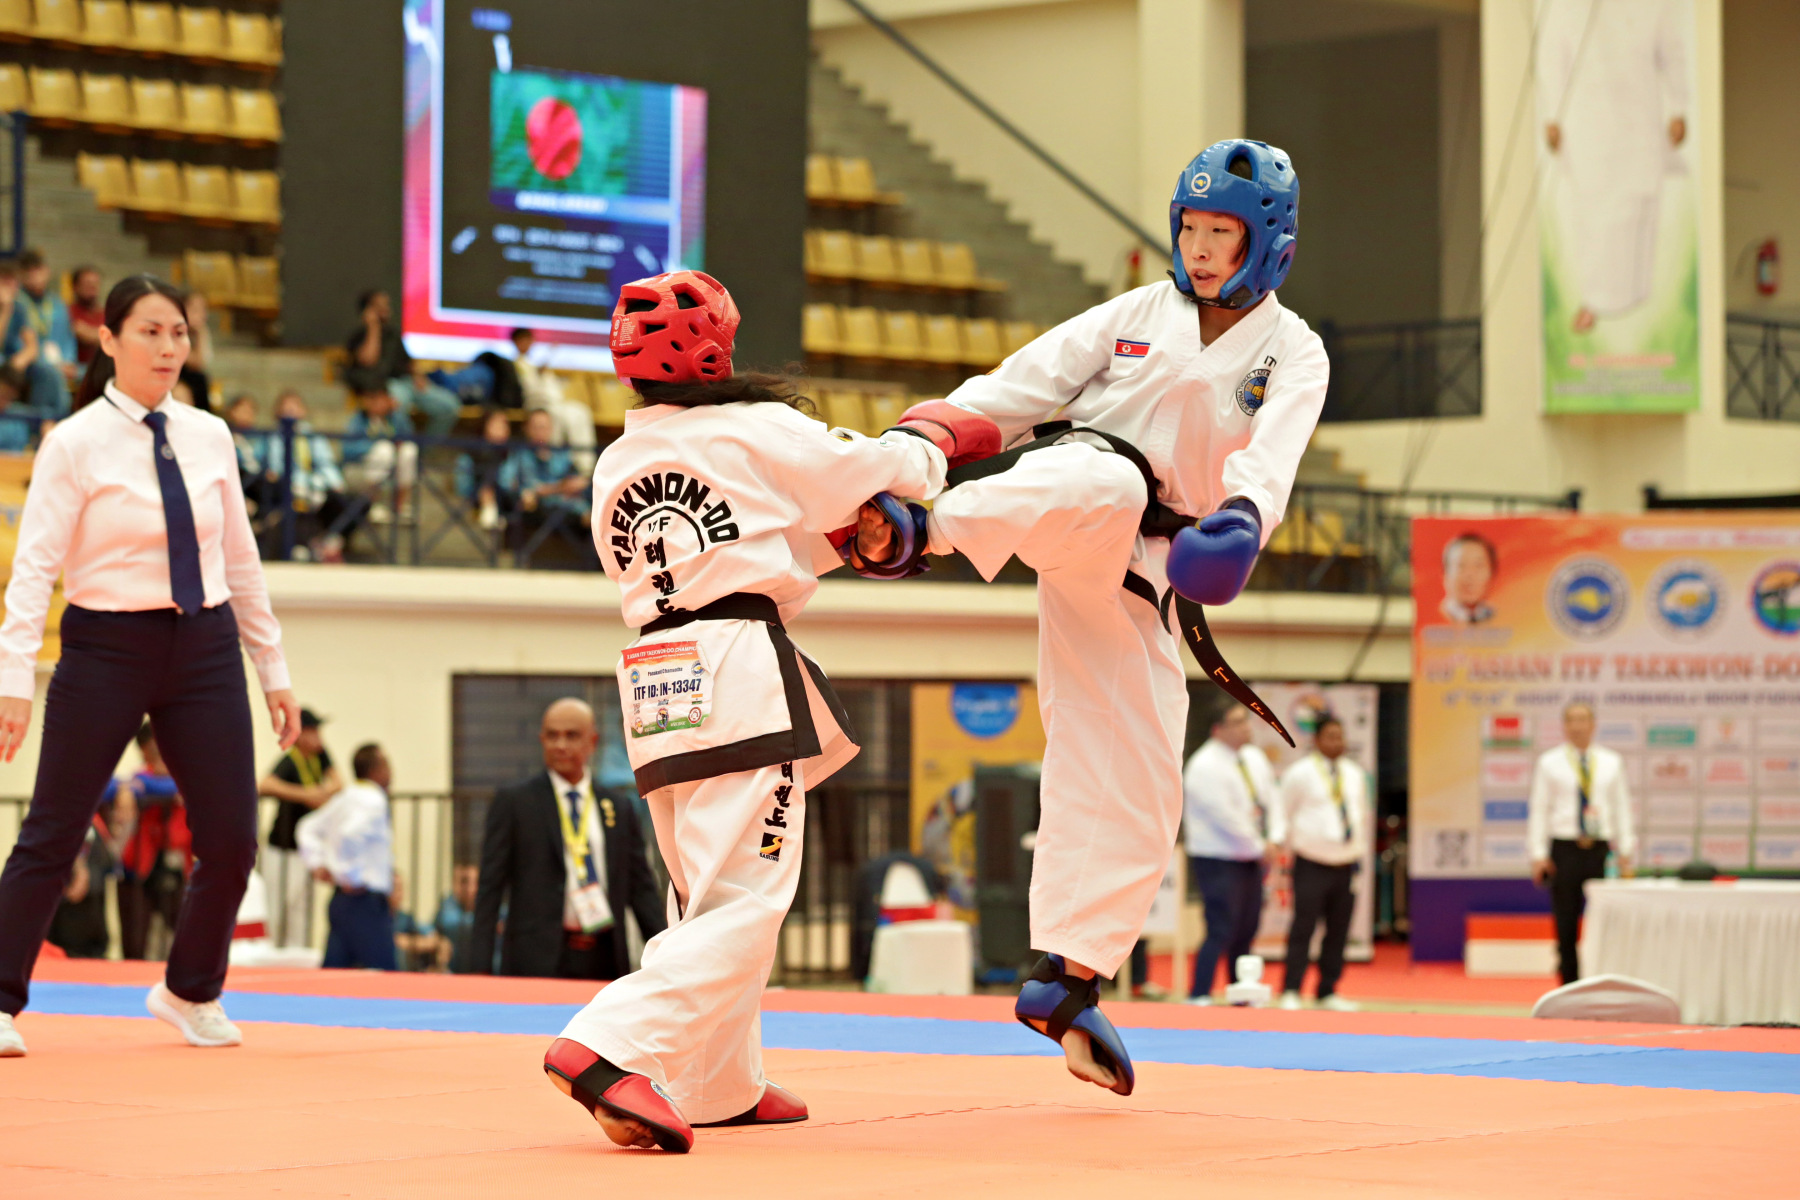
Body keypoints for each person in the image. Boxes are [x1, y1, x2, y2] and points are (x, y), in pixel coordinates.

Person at [851, 140, 1322, 1094]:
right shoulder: (1137, 314)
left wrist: (1240, 521)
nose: (1199, 251)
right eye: (1190, 229)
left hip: (1151, 580)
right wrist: (923, 445)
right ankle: (913, 532)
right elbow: (1019, 390)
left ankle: (1066, 978)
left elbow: (1269, 462)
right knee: (1104, 481)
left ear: (1268, 243)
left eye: (1222, 235)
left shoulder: (1294, 351)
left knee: (1141, 783)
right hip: (1081, 503)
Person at [543, 269, 978, 1153]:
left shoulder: (617, 461)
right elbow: (880, 467)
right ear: (717, 348)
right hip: (735, 664)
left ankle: (717, 1084)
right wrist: (934, 441)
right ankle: (608, 1044)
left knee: (704, 887)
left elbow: (728, 545)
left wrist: (842, 543)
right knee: (748, 894)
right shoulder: (751, 425)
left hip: (654, 671)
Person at [0, 274, 301, 1059]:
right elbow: (33, 573)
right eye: (150, 332)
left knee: (232, 838)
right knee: (54, 830)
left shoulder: (210, 435)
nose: (169, 348)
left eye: (179, 333)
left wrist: (272, 669)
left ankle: (190, 991)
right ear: (107, 340)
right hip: (105, 647)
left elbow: (241, 559)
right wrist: (13, 682)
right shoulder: (73, 443)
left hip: (204, 646)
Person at [472, 698, 666, 983]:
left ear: (593, 741)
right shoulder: (515, 802)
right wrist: (479, 968)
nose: (560, 745)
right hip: (535, 959)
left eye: (571, 736)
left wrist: (666, 960)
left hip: (604, 955)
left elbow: (641, 889)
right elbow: (490, 888)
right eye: (552, 736)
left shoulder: (618, 807)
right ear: (541, 740)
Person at [1538, 0, 1688, 334]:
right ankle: (1595, 300)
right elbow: (1553, 58)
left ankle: (1639, 292)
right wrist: (1552, 116)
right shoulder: (1566, 7)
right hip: (1589, 126)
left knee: (1640, 206)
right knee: (1595, 215)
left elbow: (1672, 52)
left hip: (1639, 122)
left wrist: (1678, 108)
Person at [1528, 701, 1635, 985]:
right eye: (1571, 720)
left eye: (1582, 719)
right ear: (1564, 726)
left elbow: (1621, 806)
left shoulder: (1612, 761)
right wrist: (1538, 853)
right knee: (1565, 920)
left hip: (1600, 849)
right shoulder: (1549, 762)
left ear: (1593, 724)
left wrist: (1625, 849)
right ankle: (1569, 983)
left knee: (1604, 919)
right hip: (1564, 848)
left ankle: (1601, 978)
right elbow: (1539, 808)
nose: (1577, 726)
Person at [1182, 704, 1279, 1003]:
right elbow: (1224, 817)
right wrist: (1260, 845)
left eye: (1246, 720)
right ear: (1218, 729)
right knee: (1220, 927)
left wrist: (1274, 838)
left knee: (1246, 927)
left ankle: (1240, 991)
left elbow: (1272, 799)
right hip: (1218, 857)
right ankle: (1199, 992)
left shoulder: (1253, 758)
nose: (1246, 726)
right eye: (1237, 722)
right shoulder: (1204, 765)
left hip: (1251, 856)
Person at [1275, 714, 1368, 1011]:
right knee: (1303, 927)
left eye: (1340, 737)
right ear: (1316, 740)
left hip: (1346, 863)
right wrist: (1277, 846)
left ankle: (1327, 990)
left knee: (1338, 930)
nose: (1337, 742)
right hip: (1311, 863)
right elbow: (1282, 812)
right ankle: (1291, 989)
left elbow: (1360, 814)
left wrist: (1358, 850)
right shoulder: (1300, 773)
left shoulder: (1354, 773)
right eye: (1330, 737)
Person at [297, 742, 397, 971]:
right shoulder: (374, 800)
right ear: (377, 769)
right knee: (386, 979)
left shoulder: (344, 798)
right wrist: (350, 876)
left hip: (341, 901)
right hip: (364, 901)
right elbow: (350, 835)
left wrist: (317, 863)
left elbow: (307, 827)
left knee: (335, 977)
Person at [105, 722, 193, 960]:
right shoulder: (136, 780)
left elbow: (178, 786)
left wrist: (135, 788)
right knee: (135, 942)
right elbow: (113, 787)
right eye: (152, 749)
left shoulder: (183, 778)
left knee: (186, 935)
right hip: (137, 869)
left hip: (177, 868)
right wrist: (128, 789)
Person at [259, 708, 341, 950]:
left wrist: (321, 793)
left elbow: (338, 782)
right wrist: (305, 795)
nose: (318, 737)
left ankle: (297, 954)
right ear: (301, 734)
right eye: (313, 731)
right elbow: (265, 784)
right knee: (276, 907)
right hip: (281, 849)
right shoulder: (291, 760)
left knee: (300, 909)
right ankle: (270, 953)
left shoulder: (319, 756)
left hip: (304, 851)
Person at [342, 289, 458, 434]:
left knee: (450, 406)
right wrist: (373, 326)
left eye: (386, 305)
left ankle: (425, 446)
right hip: (383, 387)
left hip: (408, 382)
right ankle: (402, 445)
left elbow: (408, 362)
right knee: (397, 403)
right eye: (380, 306)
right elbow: (368, 360)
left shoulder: (393, 335)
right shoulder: (359, 337)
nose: (386, 309)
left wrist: (417, 376)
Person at [264, 391, 356, 561]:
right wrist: (296, 483)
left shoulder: (313, 435)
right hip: (293, 487)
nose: (291, 410)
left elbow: (325, 461)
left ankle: (328, 542)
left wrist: (335, 482)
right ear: (277, 411)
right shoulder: (274, 436)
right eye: (286, 407)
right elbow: (276, 467)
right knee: (298, 502)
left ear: (303, 410)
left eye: (295, 406)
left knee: (352, 503)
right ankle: (304, 547)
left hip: (317, 485)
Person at [4, 249, 77, 422]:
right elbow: (20, 343)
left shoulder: (57, 304)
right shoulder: (18, 302)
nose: (35, 277)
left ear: (47, 271)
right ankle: (45, 422)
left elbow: (67, 337)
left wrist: (68, 361)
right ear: (21, 275)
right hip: (31, 362)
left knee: (90, 372)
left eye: (38, 270)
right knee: (48, 372)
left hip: (60, 361)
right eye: (29, 272)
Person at [511, 328, 597, 473]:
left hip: (554, 403)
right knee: (567, 417)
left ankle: (585, 464)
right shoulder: (516, 364)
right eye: (522, 341)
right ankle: (560, 468)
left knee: (580, 411)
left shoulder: (531, 362)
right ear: (516, 343)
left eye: (528, 341)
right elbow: (529, 383)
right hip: (538, 405)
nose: (526, 344)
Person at [498, 407, 587, 535]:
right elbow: (505, 482)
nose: (540, 432)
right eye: (535, 427)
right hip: (536, 510)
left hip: (568, 509)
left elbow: (578, 481)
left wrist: (572, 486)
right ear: (526, 429)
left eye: (544, 427)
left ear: (551, 429)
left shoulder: (562, 455)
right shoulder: (519, 455)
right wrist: (523, 492)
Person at [342, 387, 418, 524]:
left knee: (409, 449)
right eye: (374, 400)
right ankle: (372, 504)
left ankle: (399, 506)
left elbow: (410, 436)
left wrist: (399, 413)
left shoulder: (394, 418)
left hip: (392, 465)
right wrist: (375, 444)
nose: (378, 404)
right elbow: (348, 450)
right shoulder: (358, 421)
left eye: (383, 399)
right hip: (360, 467)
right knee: (383, 448)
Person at [454, 408, 513, 531]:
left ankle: (490, 505)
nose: (501, 428)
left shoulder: (512, 453)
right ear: (485, 425)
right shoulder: (471, 453)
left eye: (504, 425)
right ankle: (488, 504)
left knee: (496, 467)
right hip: (475, 494)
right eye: (496, 424)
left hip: (503, 496)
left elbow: (509, 483)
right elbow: (463, 486)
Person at [1440, 532, 1497, 625]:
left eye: (1478, 566)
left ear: (1491, 574)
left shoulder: (1496, 615)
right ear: (1445, 575)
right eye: (1461, 566)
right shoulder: (1436, 618)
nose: (1470, 575)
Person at [434, 863, 482, 973]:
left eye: (476, 882)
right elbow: (444, 923)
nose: (470, 888)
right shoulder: (447, 906)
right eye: (464, 882)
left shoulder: (491, 908)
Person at [68, 266, 104, 366]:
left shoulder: (106, 313)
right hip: (78, 368)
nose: (92, 287)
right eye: (87, 283)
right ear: (75, 287)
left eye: (95, 283)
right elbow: (82, 332)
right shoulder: (68, 312)